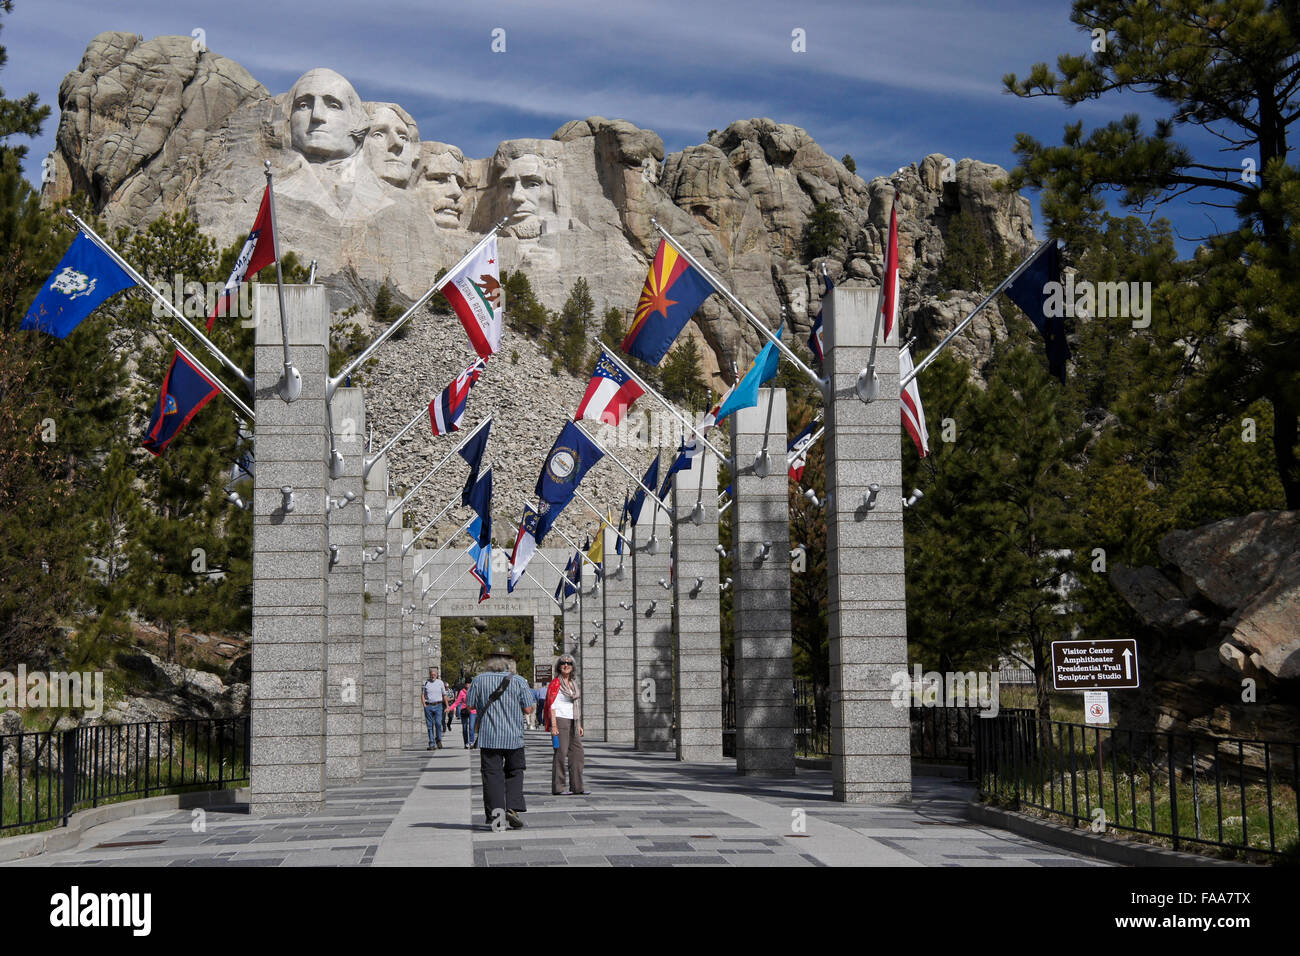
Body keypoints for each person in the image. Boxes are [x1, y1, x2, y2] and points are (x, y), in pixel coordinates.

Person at [465, 646, 535, 829]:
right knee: (515, 771)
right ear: (510, 662)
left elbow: (469, 705)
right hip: (514, 736)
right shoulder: (519, 681)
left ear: (489, 661)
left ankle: (497, 819)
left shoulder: (479, 680)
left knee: (492, 777)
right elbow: (528, 709)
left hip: (489, 737)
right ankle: (512, 808)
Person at [543, 655, 587, 796]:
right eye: (563, 663)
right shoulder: (555, 684)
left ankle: (577, 787)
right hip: (560, 720)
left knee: (577, 754)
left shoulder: (573, 684)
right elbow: (552, 706)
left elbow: (575, 705)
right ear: (559, 666)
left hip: (573, 720)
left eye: (569, 663)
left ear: (573, 667)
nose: (566, 665)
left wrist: (578, 724)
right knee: (560, 754)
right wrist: (554, 726)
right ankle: (559, 787)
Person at [422, 667, 449, 750]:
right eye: (431, 674)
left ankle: (439, 740)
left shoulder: (440, 683)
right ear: (430, 675)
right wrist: (424, 705)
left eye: (434, 674)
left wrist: (447, 706)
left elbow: (444, 695)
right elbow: (422, 695)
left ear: (437, 675)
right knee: (429, 726)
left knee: (438, 723)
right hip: (428, 705)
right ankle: (431, 743)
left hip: (438, 705)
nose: (433, 676)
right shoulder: (425, 683)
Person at [453, 684, 475, 748]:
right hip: (464, 711)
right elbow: (457, 702)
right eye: (467, 684)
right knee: (464, 727)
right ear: (465, 685)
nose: (468, 685)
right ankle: (466, 743)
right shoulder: (462, 692)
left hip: (472, 710)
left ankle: (471, 742)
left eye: (469, 683)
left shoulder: (474, 691)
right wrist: (450, 708)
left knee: (471, 727)